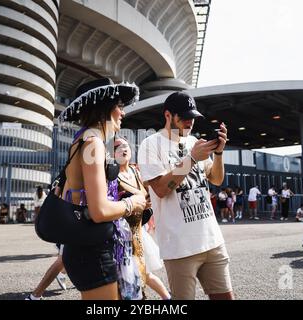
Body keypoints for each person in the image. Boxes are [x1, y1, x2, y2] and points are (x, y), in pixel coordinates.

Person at [137, 91, 233, 300]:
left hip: (212, 239)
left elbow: (216, 179)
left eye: (193, 117)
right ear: (168, 115)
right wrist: (191, 159)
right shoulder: (150, 145)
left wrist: (218, 153)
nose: (190, 122)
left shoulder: (194, 142)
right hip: (179, 246)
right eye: (184, 117)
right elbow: (161, 190)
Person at [58, 78, 146, 300]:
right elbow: (98, 211)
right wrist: (133, 203)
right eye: (119, 106)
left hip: (87, 245)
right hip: (91, 249)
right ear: (105, 108)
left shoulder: (84, 139)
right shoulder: (93, 144)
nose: (123, 113)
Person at [114, 137, 147, 296]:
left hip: (138, 232)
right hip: (120, 237)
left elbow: (147, 193)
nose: (123, 149)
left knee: (141, 277)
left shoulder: (136, 171)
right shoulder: (110, 176)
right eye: (117, 147)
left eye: (125, 145)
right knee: (126, 287)